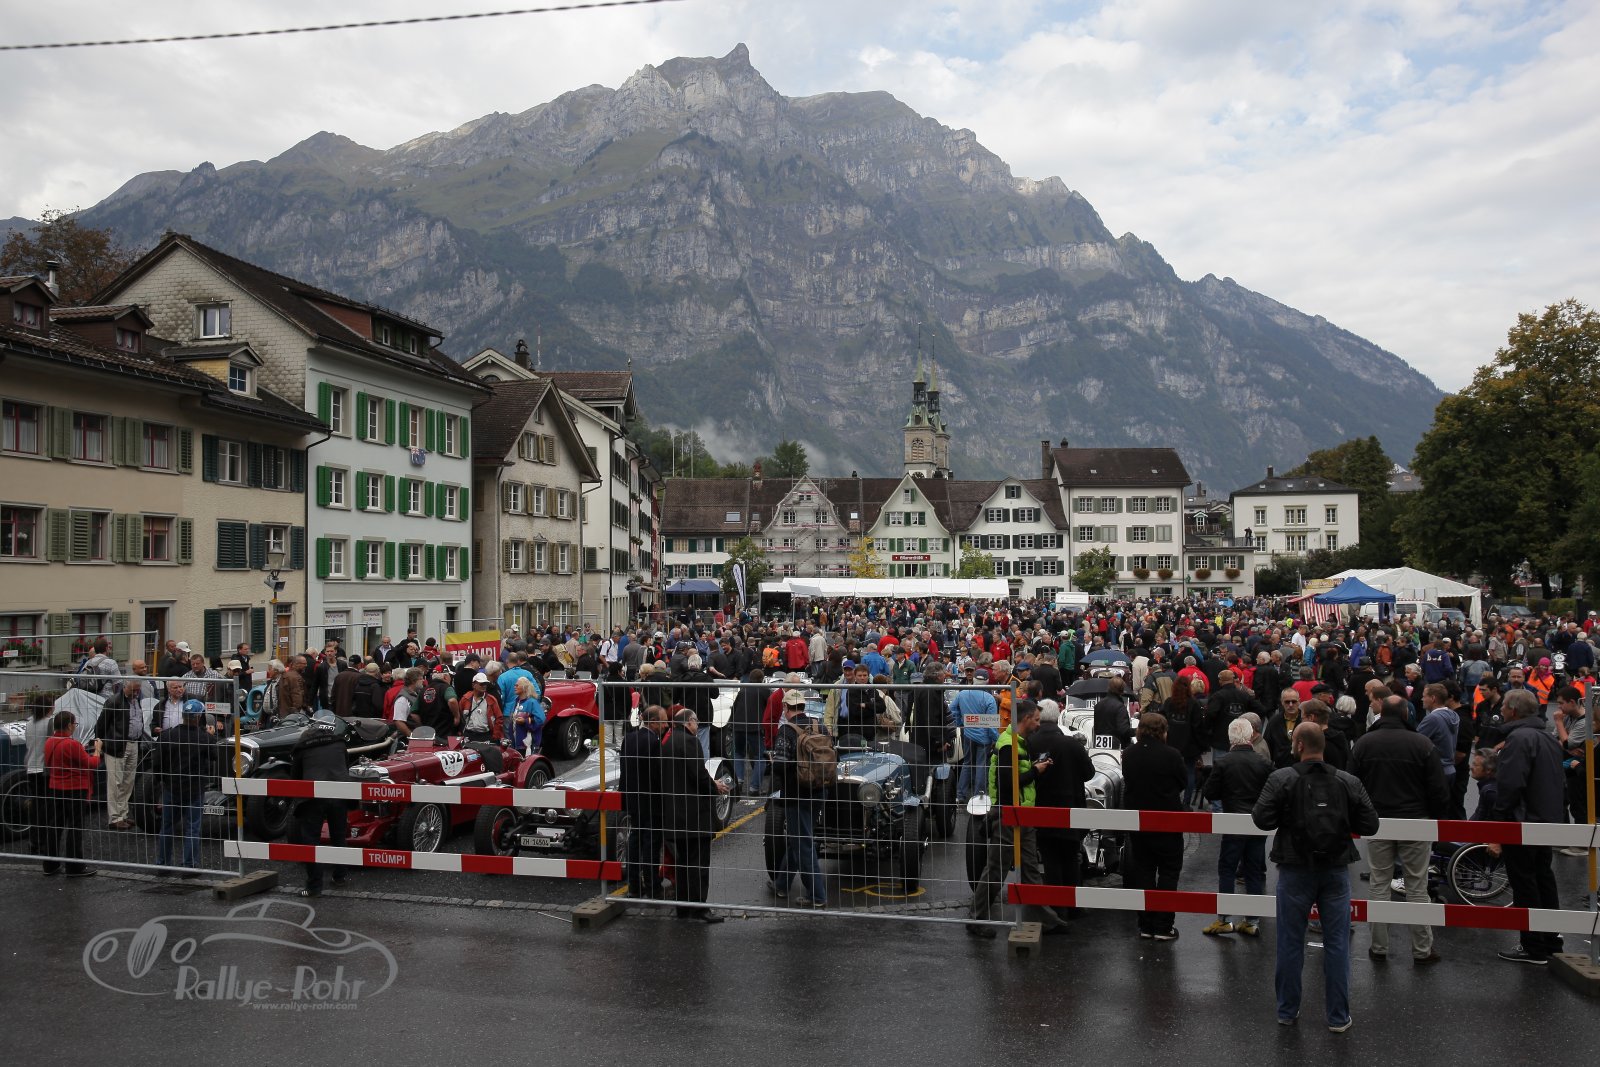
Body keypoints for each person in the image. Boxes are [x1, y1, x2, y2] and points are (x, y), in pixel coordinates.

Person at [1253, 722, 1380, 1031]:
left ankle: (1287, 1011)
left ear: (1299, 746)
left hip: (1295, 867)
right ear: (1322, 746)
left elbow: (1261, 819)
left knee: (1290, 941)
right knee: (1337, 943)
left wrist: (1288, 815)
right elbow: (1370, 824)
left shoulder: (1282, 778)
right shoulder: (1347, 781)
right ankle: (1338, 1017)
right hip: (1335, 868)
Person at [1349, 695, 1449, 963]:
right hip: (1415, 821)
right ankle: (1422, 949)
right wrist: (1435, 817)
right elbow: (1438, 788)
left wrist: (1361, 814)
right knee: (1417, 885)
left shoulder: (1364, 743)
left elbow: (1352, 783)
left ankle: (1378, 946)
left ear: (1382, 713)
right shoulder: (1422, 744)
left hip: (1378, 821)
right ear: (1406, 714)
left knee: (1379, 883)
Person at [967, 699, 1065, 938]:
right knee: (996, 870)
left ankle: (1045, 919)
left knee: (1029, 869)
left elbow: (1012, 778)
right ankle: (976, 918)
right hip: (1010, 815)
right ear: (1027, 718)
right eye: (1037, 720)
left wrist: (1033, 768)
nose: (1039, 724)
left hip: (1022, 814)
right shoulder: (1008, 744)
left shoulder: (1017, 742)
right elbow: (1007, 784)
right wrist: (1035, 771)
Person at [1493, 689, 1566, 963]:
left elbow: (1510, 784)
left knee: (1525, 883)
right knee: (1543, 879)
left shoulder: (1518, 738)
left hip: (1522, 822)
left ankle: (1533, 946)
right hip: (1545, 820)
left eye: (1504, 706)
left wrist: (1499, 818)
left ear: (1513, 710)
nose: (1501, 710)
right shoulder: (1547, 737)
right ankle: (1550, 941)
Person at [1202, 716, 1272, 936]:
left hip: (1233, 821)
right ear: (1250, 735)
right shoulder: (1263, 763)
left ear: (1230, 737)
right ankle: (1252, 921)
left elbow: (1210, 792)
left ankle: (1224, 919)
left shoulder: (1224, 762)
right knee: (1253, 870)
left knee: (1227, 868)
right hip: (1257, 823)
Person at [1121, 712, 1188, 940]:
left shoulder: (1129, 754)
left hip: (1139, 823)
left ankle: (1146, 924)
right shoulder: (1172, 755)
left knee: (1144, 871)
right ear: (1163, 731)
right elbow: (1182, 782)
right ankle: (1163, 925)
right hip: (1168, 821)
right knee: (1169, 872)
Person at [659, 709, 728, 922]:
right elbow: (698, 774)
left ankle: (683, 908)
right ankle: (699, 908)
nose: (698, 725)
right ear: (688, 722)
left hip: (675, 814)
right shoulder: (690, 742)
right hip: (694, 815)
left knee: (682, 864)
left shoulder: (668, 742)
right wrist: (714, 787)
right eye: (696, 721)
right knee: (699, 864)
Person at [1029, 700, 1095, 907]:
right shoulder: (1072, 744)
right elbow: (1089, 773)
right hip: (1071, 809)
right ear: (1058, 717)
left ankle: (1056, 907)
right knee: (1070, 858)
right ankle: (1072, 907)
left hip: (1041, 809)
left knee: (1051, 860)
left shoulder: (1030, 742)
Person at [771, 689, 828, 908]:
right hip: (819, 790)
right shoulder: (818, 725)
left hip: (796, 794)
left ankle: (817, 895)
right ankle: (782, 884)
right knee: (800, 837)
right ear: (803, 706)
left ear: (786, 707)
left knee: (803, 843)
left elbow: (780, 765)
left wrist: (773, 762)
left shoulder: (787, 730)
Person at [148, 699, 216, 874]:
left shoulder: (167, 735)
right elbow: (214, 756)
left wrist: (163, 780)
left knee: (167, 826)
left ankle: (163, 864)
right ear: (198, 717)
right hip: (194, 788)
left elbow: (157, 763)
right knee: (192, 827)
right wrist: (211, 736)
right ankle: (189, 865)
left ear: (183, 715)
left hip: (172, 787)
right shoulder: (203, 738)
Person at [290, 710, 352, 897]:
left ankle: (314, 886)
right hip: (339, 794)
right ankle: (340, 876)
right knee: (339, 836)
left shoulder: (303, 745)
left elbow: (295, 776)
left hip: (313, 796)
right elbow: (345, 767)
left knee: (311, 839)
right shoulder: (339, 743)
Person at [43, 710, 100, 877]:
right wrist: (97, 750)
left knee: (55, 826)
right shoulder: (72, 744)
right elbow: (91, 763)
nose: (75, 727)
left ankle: (50, 864)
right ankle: (74, 866)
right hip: (74, 788)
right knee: (75, 827)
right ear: (69, 725)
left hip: (56, 787)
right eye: (74, 724)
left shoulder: (49, 741)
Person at [621, 704, 668, 899]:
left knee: (634, 840)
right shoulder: (654, 742)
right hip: (651, 800)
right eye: (663, 722)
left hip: (633, 798)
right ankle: (652, 885)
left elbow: (624, 769)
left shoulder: (629, 738)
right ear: (653, 722)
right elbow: (658, 774)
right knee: (651, 844)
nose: (666, 726)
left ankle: (633, 886)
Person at [96, 676, 153, 829]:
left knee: (128, 781)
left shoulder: (136, 700)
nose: (136, 693)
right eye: (133, 690)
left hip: (133, 744)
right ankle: (115, 818)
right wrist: (102, 743)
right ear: (125, 687)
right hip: (117, 746)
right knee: (115, 783)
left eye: (138, 690)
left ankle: (123, 814)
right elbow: (101, 725)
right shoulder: (114, 701)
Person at [952, 674, 999, 808]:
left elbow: (952, 709)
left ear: (973, 680)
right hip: (984, 738)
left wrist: (960, 722)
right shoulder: (989, 698)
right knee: (981, 765)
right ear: (987, 682)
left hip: (968, 734)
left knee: (967, 763)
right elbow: (991, 724)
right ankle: (979, 795)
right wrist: (996, 739)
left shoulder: (962, 694)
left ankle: (960, 795)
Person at [728, 668, 767, 796]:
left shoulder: (743, 690)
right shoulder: (764, 690)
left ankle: (738, 781)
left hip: (738, 726)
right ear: (762, 679)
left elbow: (734, 707)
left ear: (750, 678)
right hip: (755, 728)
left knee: (738, 753)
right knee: (760, 757)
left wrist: (731, 724)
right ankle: (754, 787)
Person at [1091, 676, 1135, 750]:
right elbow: (1124, 730)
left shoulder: (1098, 705)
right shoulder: (1120, 707)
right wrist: (1137, 731)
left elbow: (1096, 728)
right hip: (1118, 746)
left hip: (1100, 745)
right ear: (1122, 689)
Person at [460, 673, 503, 743]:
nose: (484, 686)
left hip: (485, 736)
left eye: (486, 684)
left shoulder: (491, 700)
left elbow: (499, 718)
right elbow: (460, 716)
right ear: (473, 685)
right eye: (481, 684)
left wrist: (495, 736)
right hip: (468, 735)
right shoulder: (465, 699)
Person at [510, 676, 546, 755]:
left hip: (528, 744)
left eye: (517, 685)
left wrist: (525, 721)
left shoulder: (532, 702)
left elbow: (541, 719)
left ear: (524, 688)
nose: (514, 687)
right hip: (516, 742)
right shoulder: (516, 701)